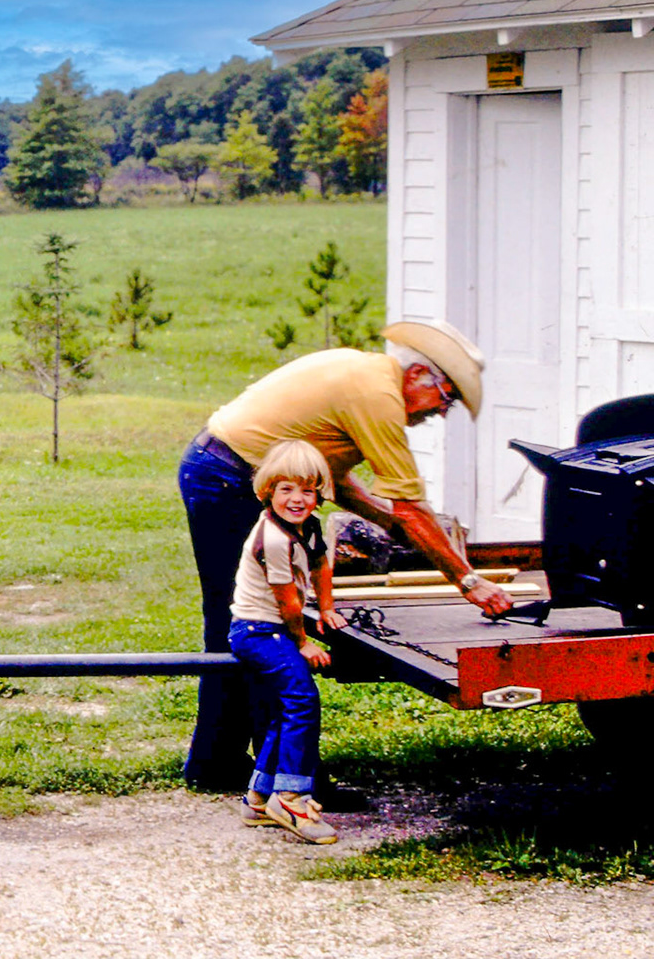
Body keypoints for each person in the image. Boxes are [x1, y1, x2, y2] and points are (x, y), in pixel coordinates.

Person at [179, 319, 511, 792]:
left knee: (238, 625)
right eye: (447, 396)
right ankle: (289, 778)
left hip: (223, 469)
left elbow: (337, 481)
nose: (441, 411)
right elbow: (411, 507)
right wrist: (469, 581)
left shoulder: (365, 375)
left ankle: (217, 763)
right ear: (419, 374)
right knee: (259, 624)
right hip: (230, 480)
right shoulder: (379, 397)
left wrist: (385, 520)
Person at [231, 440, 342, 844]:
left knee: (287, 706)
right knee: (302, 701)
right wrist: (304, 643)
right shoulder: (273, 539)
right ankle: (291, 796)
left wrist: (327, 607)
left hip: (277, 626)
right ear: (268, 492)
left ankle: (259, 797)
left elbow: (321, 564)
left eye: (307, 490)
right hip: (260, 630)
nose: (297, 499)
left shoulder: (307, 527)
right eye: (286, 489)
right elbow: (287, 601)